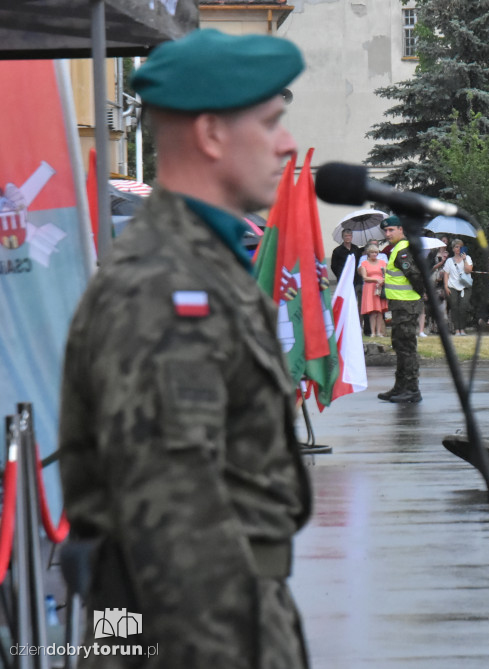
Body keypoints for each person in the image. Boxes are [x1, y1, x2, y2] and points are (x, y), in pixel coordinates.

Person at [58, 29, 312, 668]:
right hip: (184, 636)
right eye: (272, 121)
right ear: (211, 134)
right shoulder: (165, 287)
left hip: (218, 618)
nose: (286, 143)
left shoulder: (205, 268)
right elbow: (175, 525)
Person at [377, 216, 427, 401]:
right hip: (400, 306)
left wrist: (419, 294)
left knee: (407, 347)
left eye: (391, 230)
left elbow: (414, 275)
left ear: (401, 230)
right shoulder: (398, 249)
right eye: (386, 231)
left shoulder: (403, 250)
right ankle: (400, 387)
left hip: (406, 305)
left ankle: (412, 389)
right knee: (399, 345)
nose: (387, 234)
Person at [443, 238, 474, 336]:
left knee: (463, 306)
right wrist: (446, 287)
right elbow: (446, 274)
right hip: (452, 286)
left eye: (460, 247)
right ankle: (457, 329)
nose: (458, 248)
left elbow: (468, 270)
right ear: (453, 249)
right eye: (456, 247)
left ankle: (463, 329)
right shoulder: (449, 261)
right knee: (454, 307)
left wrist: (464, 259)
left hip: (465, 286)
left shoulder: (468, 258)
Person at [359, 242, 388, 337]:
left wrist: (382, 281)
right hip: (370, 288)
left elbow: (386, 275)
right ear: (368, 253)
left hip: (380, 287)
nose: (375, 254)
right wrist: (376, 279)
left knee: (380, 312)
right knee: (372, 311)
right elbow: (364, 277)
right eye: (372, 252)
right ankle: (373, 332)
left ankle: (379, 332)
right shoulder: (364, 263)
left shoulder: (382, 263)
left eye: (376, 252)